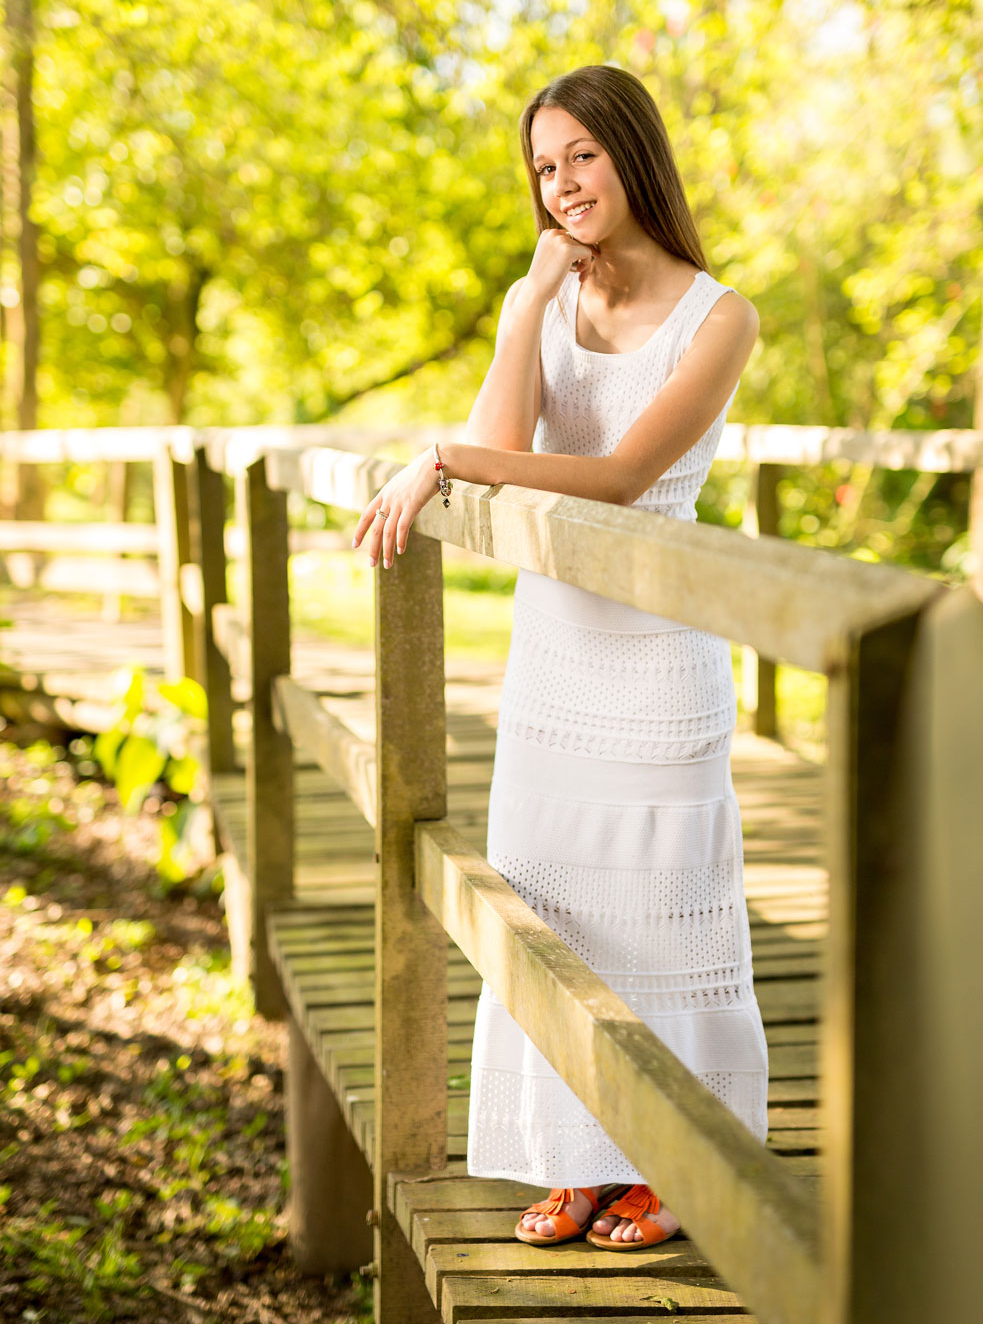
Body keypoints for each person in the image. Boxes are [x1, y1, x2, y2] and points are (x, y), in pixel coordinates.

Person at [351, 64, 768, 1250]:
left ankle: (678, 1163)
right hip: (551, 661)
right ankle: (578, 1160)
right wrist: (527, 308)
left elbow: (618, 479)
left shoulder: (716, 316)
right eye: (543, 167)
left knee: (659, 909)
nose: (563, 183)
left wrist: (436, 454)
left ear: (631, 153)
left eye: (580, 154)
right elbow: (497, 445)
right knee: (555, 907)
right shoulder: (536, 297)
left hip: (655, 661)